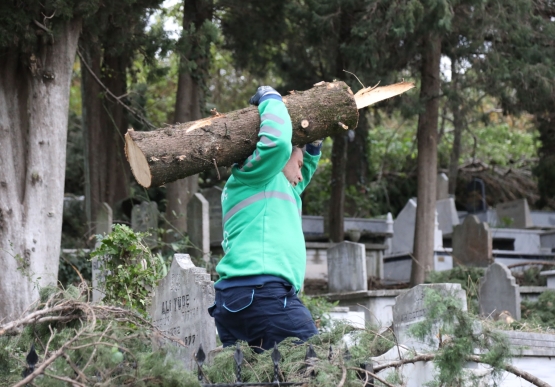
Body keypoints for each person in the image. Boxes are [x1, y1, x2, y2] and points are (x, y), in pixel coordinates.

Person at [208, 86, 323, 352]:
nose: (301, 167)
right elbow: (278, 143)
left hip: (239, 297)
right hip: (261, 293)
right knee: (315, 366)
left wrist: (314, 145)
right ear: (279, 159)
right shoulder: (256, 173)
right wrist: (270, 98)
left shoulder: (263, 185)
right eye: (300, 157)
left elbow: (299, 176)